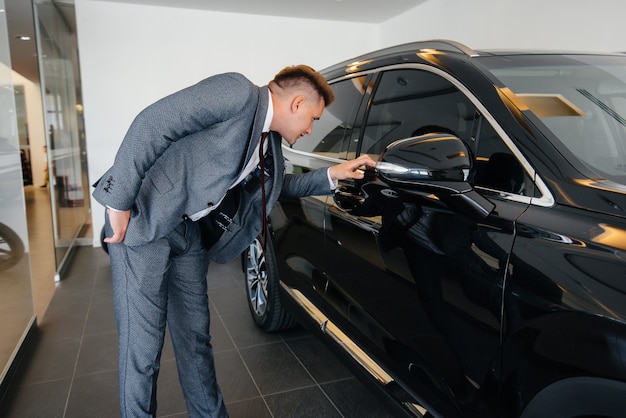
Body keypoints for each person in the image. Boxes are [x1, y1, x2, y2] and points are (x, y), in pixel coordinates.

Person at [92, 65, 375, 418]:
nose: (310, 129)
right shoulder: (237, 92)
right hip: (146, 220)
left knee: (196, 341)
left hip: (189, 234)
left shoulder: (269, 141)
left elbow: (278, 187)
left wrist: (333, 175)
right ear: (298, 103)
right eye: (313, 119)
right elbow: (153, 122)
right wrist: (118, 202)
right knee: (143, 351)